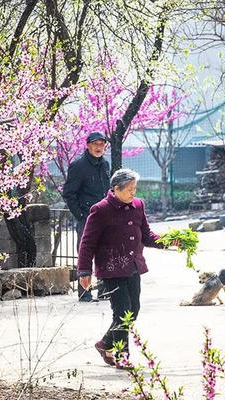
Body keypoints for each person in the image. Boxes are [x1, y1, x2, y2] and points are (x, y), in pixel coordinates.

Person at [77, 169, 177, 367]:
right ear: (116, 189)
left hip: (133, 267)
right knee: (122, 312)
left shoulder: (138, 205)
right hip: (112, 268)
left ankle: (105, 343)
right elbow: (87, 243)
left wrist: (169, 241)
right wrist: (84, 271)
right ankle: (123, 357)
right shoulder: (101, 209)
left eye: (134, 188)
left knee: (134, 309)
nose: (133, 193)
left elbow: (147, 235)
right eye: (129, 189)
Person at [62, 131, 110, 301]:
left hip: (105, 217)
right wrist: (81, 215)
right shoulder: (79, 165)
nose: (98, 147)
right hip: (87, 218)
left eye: (101, 144)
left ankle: (104, 290)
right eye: (95, 144)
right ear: (88, 145)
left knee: (105, 253)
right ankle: (84, 293)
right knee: (85, 253)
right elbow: (69, 194)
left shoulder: (105, 165)